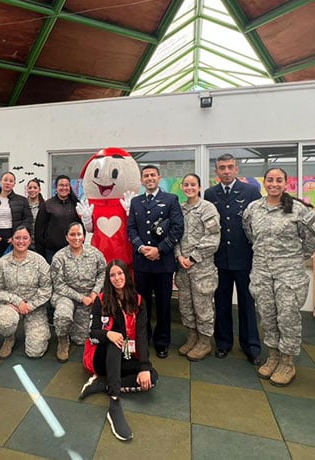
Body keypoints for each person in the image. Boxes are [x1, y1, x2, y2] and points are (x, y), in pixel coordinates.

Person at [243, 168, 315, 386]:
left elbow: (314, 240)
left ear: (286, 184)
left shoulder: (298, 210)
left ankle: (287, 362)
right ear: (264, 183)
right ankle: (273, 356)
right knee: (267, 315)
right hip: (261, 272)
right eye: (270, 180)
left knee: (288, 317)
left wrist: (295, 258)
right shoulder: (253, 209)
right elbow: (250, 234)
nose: (274, 184)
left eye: (279, 180)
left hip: (289, 274)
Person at [79, 259, 158, 442]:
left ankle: (103, 384)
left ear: (126, 275)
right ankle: (114, 401)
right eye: (112, 275)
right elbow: (93, 334)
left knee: (151, 378)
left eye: (120, 273)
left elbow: (142, 336)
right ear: (108, 279)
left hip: (126, 355)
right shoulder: (101, 300)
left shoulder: (138, 301)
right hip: (101, 356)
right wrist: (108, 335)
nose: (117, 278)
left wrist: (144, 366)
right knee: (115, 342)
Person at [203, 154, 262, 364]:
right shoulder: (210, 194)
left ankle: (251, 346)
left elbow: (258, 223)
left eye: (230, 167)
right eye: (222, 168)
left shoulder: (251, 192)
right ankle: (223, 343)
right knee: (222, 303)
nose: (226, 171)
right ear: (216, 172)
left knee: (247, 304)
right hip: (219, 259)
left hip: (245, 257)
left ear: (236, 170)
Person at [127, 164, 184, 358]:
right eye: (146, 176)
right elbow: (131, 229)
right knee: (142, 305)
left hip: (163, 263)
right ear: (142, 181)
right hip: (142, 262)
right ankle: (143, 338)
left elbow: (178, 228)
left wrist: (160, 249)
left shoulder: (170, 199)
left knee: (163, 305)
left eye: (153, 175)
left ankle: (162, 341)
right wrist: (142, 248)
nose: (149, 178)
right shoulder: (136, 202)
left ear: (159, 178)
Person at [174, 173, 220, 361]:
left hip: (202, 269)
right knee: (185, 305)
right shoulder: (180, 209)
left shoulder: (208, 208)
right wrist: (178, 256)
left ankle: (204, 342)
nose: (189, 188)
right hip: (183, 268)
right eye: (186, 185)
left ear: (199, 187)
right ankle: (192, 336)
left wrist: (192, 258)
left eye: (193, 185)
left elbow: (213, 239)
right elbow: (175, 234)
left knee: (203, 307)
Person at [0, 226, 52, 359]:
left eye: (25, 238)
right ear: (11, 240)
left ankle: (39, 333)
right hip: (9, 305)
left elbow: (47, 288)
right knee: (5, 321)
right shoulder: (2, 263)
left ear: (30, 241)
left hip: (34, 307)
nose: (21, 241)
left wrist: (29, 306)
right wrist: (16, 301)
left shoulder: (39, 261)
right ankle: (9, 338)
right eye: (17, 238)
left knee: (35, 352)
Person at [50, 221, 106, 362]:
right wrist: (81, 298)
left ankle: (74, 327)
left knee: (81, 339)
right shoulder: (59, 257)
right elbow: (59, 285)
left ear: (84, 236)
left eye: (79, 234)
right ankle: (62, 341)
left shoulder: (94, 253)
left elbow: (102, 273)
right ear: (66, 237)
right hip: (65, 297)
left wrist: (94, 292)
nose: (76, 238)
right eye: (72, 234)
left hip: (90, 297)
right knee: (63, 316)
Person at [35, 175, 80, 263]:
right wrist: (41, 253)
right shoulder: (47, 205)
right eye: (61, 185)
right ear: (56, 187)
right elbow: (39, 231)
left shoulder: (76, 205)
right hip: (51, 252)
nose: (64, 188)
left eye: (66, 185)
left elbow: (82, 228)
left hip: (72, 250)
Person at [0, 171, 33, 264]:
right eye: (5, 180)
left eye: (11, 181)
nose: (7, 183)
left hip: (13, 237)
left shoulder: (22, 200)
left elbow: (28, 220)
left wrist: (16, 236)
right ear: (0, 182)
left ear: (14, 184)